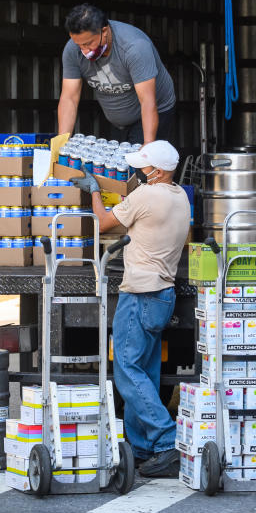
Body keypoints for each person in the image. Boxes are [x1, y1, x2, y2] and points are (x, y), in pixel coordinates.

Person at [71, 140, 189, 477]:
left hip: (139, 293)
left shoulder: (147, 196)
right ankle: (141, 447)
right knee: (146, 371)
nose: (140, 171)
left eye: (144, 166)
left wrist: (94, 191)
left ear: (160, 170)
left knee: (126, 370)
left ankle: (167, 442)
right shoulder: (178, 197)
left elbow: (104, 222)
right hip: (163, 294)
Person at [59, 3, 177, 145]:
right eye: (79, 45)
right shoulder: (72, 50)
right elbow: (69, 98)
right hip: (118, 119)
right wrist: (61, 145)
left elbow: (147, 101)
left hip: (154, 110)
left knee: (144, 163)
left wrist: (148, 147)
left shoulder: (134, 48)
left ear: (105, 31)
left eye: (88, 43)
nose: (84, 51)